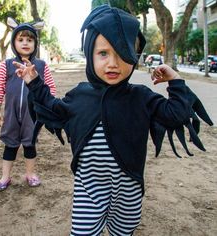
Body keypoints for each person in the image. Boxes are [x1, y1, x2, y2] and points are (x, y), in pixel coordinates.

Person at [13, 5, 212, 235]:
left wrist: (175, 81)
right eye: (103, 53)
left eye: (121, 53)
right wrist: (34, 83)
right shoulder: (80, 95)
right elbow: (52, 107)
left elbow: (176, 114)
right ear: (90, 54)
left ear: (134, 56)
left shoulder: (141, 97)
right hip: (89, 187)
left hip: (128, 189)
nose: (112, 63)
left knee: (123, 232)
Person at [0, 17, 56, 191]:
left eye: (30, 39)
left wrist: (48, 109)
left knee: (30, 144)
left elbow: (50, 89)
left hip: (32, 114)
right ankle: (5, 177)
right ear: (14, 42)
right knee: (10, 144)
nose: (25, 43)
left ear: (35, 43)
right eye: (20, 39)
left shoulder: (42, 66)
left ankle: (30, 174)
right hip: (11, 114)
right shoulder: (6, 65)